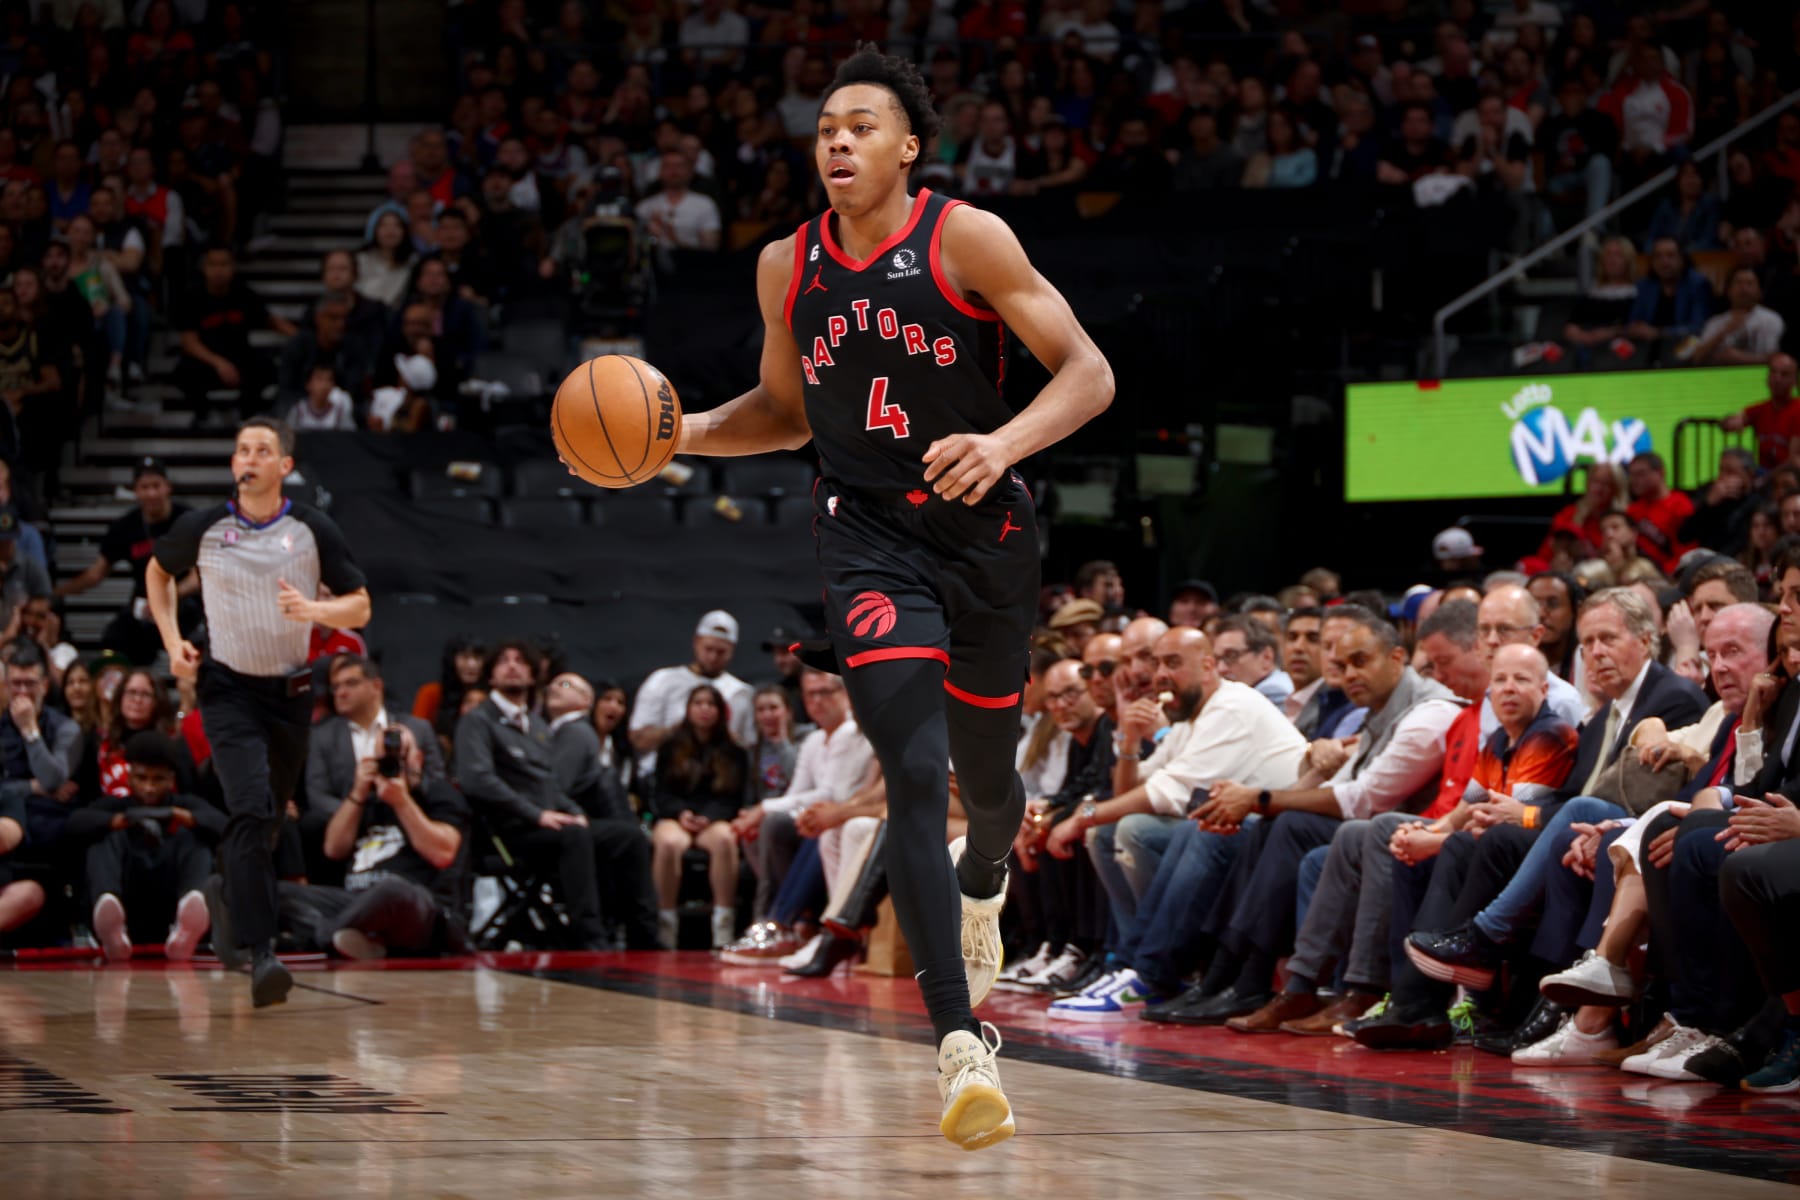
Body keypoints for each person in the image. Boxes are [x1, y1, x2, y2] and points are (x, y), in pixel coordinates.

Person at [661, 45, 1112, 1150]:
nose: (839, 143)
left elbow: (1089, 374)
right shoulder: (787, 264)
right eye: (826, 129)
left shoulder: (966, 238)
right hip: (865, 536)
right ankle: (959, 1042)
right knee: (912, 772)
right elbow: (784, 413)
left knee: (988, 788)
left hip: (983, 532)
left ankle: (987, 872)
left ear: (908, 147)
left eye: (861, 126)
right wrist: (678, 436)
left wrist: (1003, 443)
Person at [146, 417, 371, 1009]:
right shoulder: (203, 527)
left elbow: (361, 607)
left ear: (283, 466)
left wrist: (315, 612)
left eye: (262, 450)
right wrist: (172, 642)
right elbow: (158, 572)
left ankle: (225, 897)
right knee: (250, 808)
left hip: (290, 695)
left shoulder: (312, 528)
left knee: (267, 825)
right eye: (242, 449)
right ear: (234, 464)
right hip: (227, 689)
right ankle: (263, 952)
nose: (249, 458)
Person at [455, 641, 660, 952]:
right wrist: (536, 814)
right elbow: (478, 780)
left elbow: (549, 783)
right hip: (506, 831)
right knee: (574, 836)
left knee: (628, 837)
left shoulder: (538, 725)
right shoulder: (478, 720)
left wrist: (573, 811)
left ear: (533, 674)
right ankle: (589, 937)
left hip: (548, 822)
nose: (512, 666)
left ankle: (644, 937)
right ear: (491, 676)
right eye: (503, 661)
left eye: (521, 661)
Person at [726, 668, 876, 961]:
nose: (817, 701)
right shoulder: (814, 740)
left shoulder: (853, 732)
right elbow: (798, 791)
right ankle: (783, 922)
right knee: (768, 829)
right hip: (836, 813)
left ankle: (786, 922)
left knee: (807, 826)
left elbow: (835, 795)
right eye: (811, 695)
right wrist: (769, 813)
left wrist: (766, 809)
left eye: (825, 693)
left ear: (845, 695)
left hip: (846, 814)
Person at [286, 722, 469, 960]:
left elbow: (443, 854)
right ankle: (357, 940)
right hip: (356, 901)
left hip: (416, 906)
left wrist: (401, 802)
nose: (392, 765)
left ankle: (321, 937)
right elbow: (333, 849)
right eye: (383, 759)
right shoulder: (367, 800)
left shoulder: (437, 793)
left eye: (400, 757)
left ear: (418, 758)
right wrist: (357, 793)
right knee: (278, 892)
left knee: (393, 890)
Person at [67, 731, 223, 962]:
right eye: (142, 778)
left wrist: (180, 816)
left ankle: (189, 918)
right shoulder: (115, 806)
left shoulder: (185, 804)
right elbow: (74, 824)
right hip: (128, 893)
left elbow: (223, 826)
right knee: (104, 838)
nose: (149, 787)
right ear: (130, 777)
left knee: (195, 839)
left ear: (171, 780)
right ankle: (109, 915)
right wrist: (119, 820)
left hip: (170, 895)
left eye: (158, 779)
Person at [304, 655, 445, 882]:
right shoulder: (322, 737)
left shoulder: (417, 728)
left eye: (350, 683)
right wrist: (358, 813)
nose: (340, 693)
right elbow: (317, 795)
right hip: (349, 826)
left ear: (376, 686)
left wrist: (409, 787)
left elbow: (436, 782)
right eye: (336, 686)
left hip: (409, 821)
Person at [55, 457, 195, 665]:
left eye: (156, 486)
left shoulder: (187, 520)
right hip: (144, 604)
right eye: (145, 487)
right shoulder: (126, 526)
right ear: (136, 491)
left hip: (183, 599)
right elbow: (96, 573)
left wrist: (164, 598)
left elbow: (196, 578)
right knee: (114, 638)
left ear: (167, 487)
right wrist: (57, 593)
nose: (151, 493)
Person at [648, 684, 752, 948]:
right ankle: (666, 924)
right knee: (668, 843)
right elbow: (661, 793)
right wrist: (681, 813)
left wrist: (709, 817)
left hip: (714, 818)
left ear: (720, 711)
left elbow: (734, 797)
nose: (704, 709)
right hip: (676, 815)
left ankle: (723, 924)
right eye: (698, 703)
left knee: (726, 840)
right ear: (688, 709)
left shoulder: (735, 751)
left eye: (711, 704)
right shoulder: (670, 747)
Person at [628, 611, 755, 771]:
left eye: (721, 652)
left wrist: (725, 735)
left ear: (732, 650)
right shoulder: (662, 680)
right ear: (696, 642)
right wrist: (684, 726)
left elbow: (751, 748)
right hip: (663, 773)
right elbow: (638, 740)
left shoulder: (743, 693)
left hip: (719, 776)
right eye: (708, 648)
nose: (713, 657)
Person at [1695, 268, 1786, 366]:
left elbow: (1775, 358)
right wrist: (1724, 332)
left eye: (1750, 283)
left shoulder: (1771, 319)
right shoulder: (1715, 322)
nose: (1744, 288)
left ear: (1760, 291)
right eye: (1738, 283)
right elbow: (1697, 359)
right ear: (1728, 290)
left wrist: (1737, 358)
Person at [1721, 354, 1800, 468]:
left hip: (1787, 473)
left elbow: (1793, 461)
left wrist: (1766, 478)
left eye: (1784, 374)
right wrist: (1732, 422)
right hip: (1763, 471)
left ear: (1795, 381)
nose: (1777, 379)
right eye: (1773, 372)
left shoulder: (1797, 410)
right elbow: (1727, 423)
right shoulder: (1760, 409)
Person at [1210, 615, 1291, 707]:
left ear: (1266, 657)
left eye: (1231, 656)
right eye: (1216, 659)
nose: (1221, 669)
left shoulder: (1273, 691)